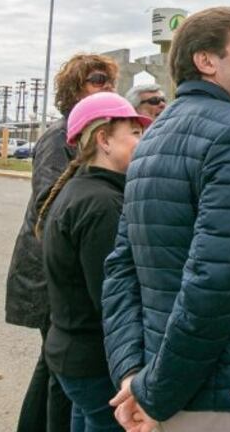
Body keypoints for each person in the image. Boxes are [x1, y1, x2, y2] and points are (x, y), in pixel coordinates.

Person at [101, 6, 230, 431]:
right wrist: (155, 393)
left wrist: (133, 373)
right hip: (228, 395)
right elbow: (215, 280)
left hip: (169, 381)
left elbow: (120, 269)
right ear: (206, 61)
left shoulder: (152, 138)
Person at [5, 53, 118, 432]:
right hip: (51, 271)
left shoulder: (92, 130)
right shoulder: (60, 134)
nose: (107, 87)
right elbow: (48, 203)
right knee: (61, 374)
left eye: (110, 80)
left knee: (56, 368)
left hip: (64, 269)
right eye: (98, 79)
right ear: (74, 87)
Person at [36, 93, 151, 432]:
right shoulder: (102, 205)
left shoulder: (82, 190)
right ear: (103, 140)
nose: (141, 141)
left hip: (74, 356)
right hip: (94, 364)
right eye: (134, 133)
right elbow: (111, 298)